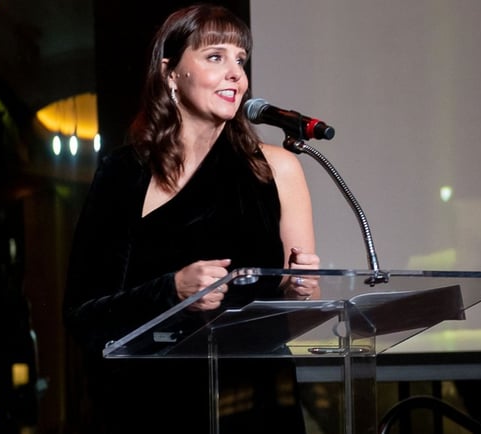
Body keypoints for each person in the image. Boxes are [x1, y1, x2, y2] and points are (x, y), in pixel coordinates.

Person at [62, 4, 321, 434]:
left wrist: (299, 292)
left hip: (255, 405)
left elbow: (297, 314)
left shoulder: (277, 169)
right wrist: (173, 289)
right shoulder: (123, 173)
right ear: (170, 73)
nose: (236, 73)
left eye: (241, 60)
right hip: (147, 404)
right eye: (215, 56)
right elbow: (82, 314)